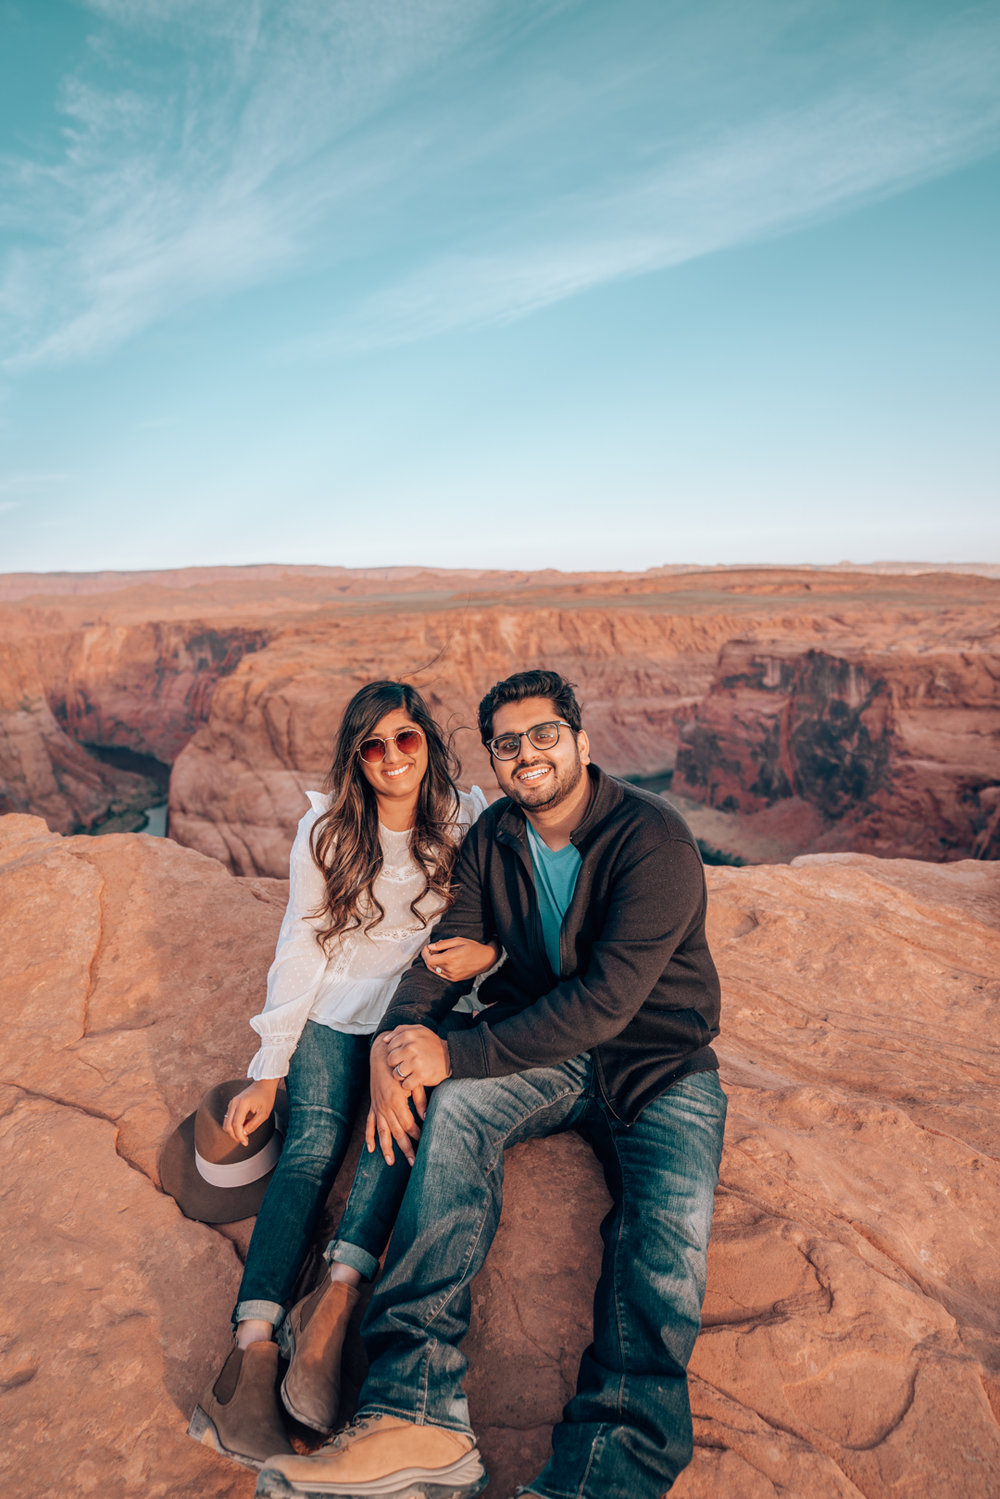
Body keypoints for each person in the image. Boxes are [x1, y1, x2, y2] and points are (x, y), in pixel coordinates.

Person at [255, 668, 727, 1499]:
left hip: (658, 1065)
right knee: (454, 1111)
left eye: (544, 733)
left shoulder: (654, 839)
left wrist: (455, 1054)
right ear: (494, 761)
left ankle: (603, 1474)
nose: (526, 754)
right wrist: (399, 1042)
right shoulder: (494, 837)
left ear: (581, 741)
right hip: (542, 1051)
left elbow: (608, 1001)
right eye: (507, 743)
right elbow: (446, 950)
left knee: (665, 1246)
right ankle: (415, 1414)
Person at [188, 680, 497, 1471]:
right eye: (374, 746)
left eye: (407, 739)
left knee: (395, 1131)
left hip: (419, 1009)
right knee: (313, 1145)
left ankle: (335, 1302)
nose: (393, 757)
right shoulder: (326, 827)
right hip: (337, 1010)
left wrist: (489, 960)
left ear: (428, 740)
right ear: (355, 759)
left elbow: (502, 914)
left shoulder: (466, 815)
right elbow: (303, 944)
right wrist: (269, 1068)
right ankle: (254, 1345)